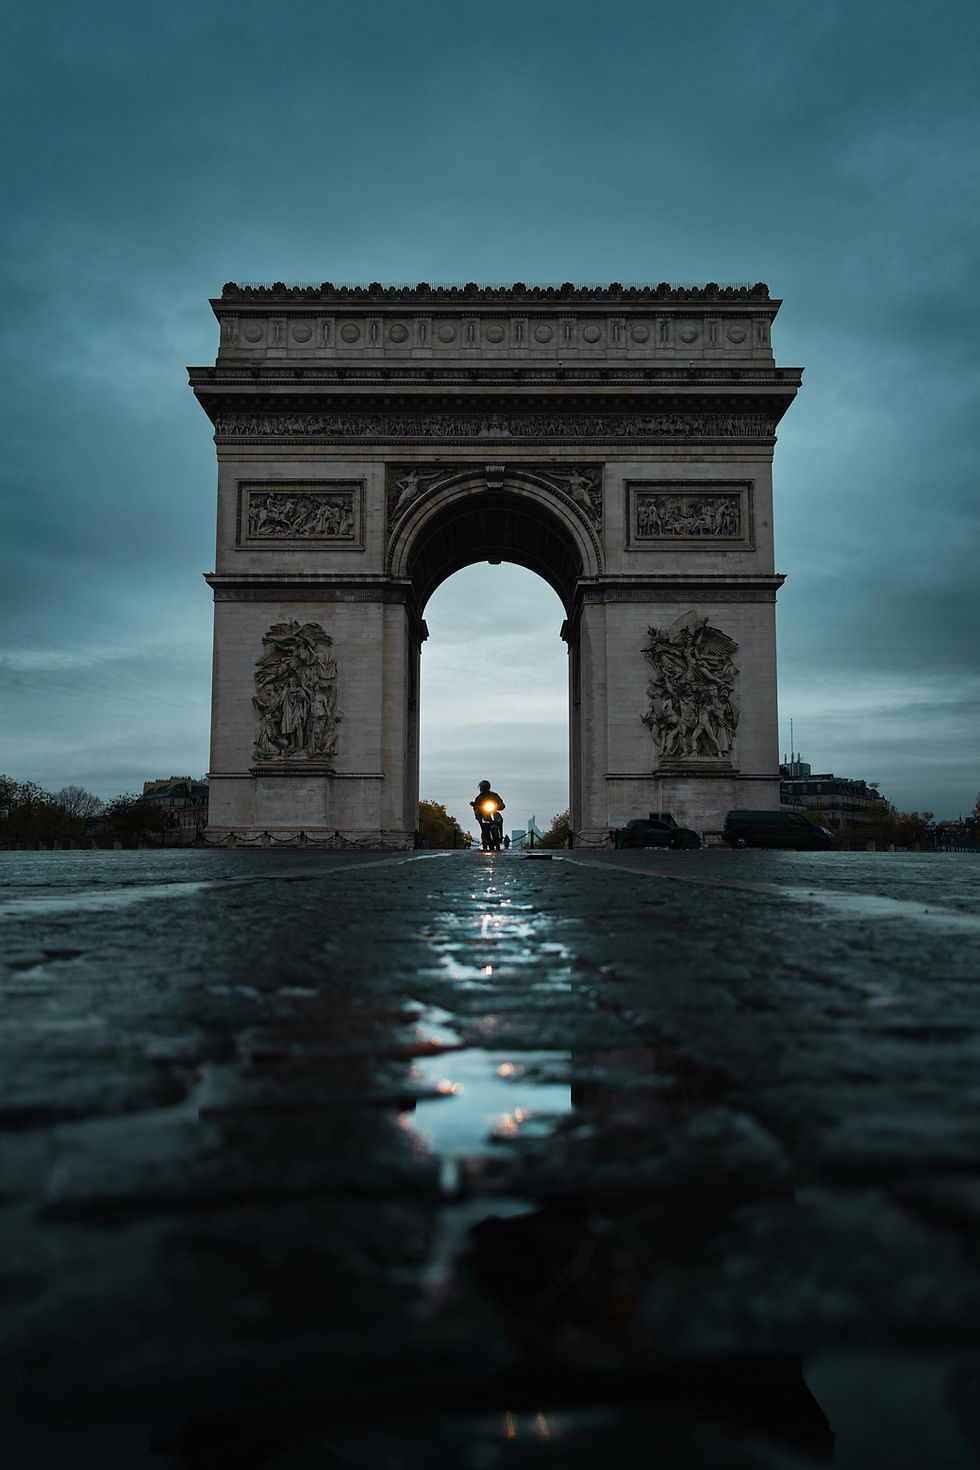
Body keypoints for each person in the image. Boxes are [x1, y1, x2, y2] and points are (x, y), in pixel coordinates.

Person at [470, 780, 506, 851]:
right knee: (483, 823)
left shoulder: (494, 795)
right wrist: (477, 810)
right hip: (484, 814)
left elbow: (501, 803)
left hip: (493, 812)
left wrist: (499, 806)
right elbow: (476, 807)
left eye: (481, 788)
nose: (480, 789)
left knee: (500, 819)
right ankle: (485, 837)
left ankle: (500, 835)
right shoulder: (479, 798)